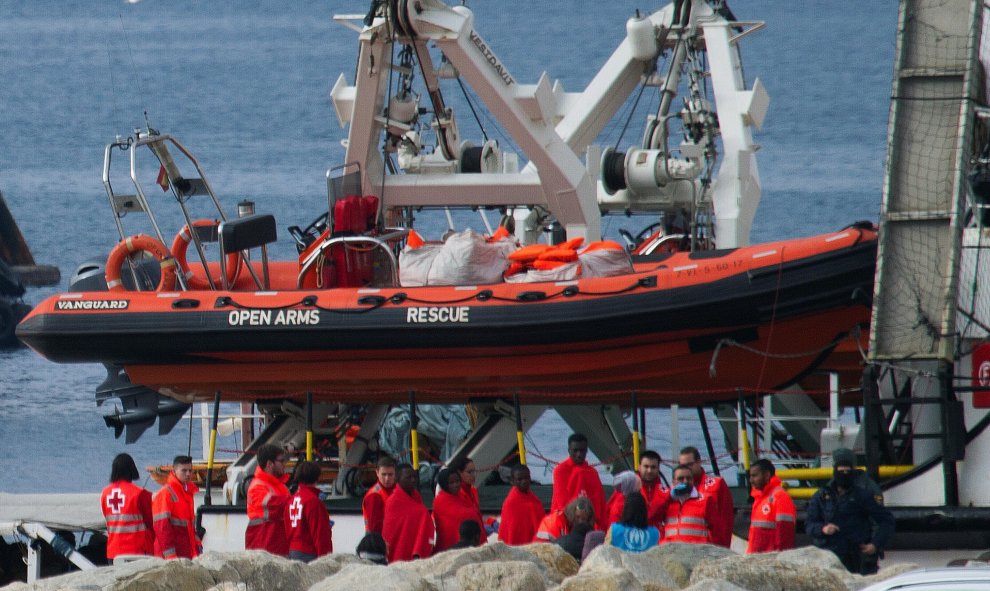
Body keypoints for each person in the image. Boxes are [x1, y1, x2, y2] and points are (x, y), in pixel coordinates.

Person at [806, 455, 895, 574]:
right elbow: (809, 524)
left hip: (857, 558)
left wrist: (875, 544)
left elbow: (886, 521)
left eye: (847, 471)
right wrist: (823, 529)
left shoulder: (863, 496)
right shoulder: (822, 496)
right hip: (829, 558)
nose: (844, 474)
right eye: (841, 471)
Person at [100, 453, 154, 561]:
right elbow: (151, 522)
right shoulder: (140, 493)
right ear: (132, 469)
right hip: (136, 551)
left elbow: (107, 518)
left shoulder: (105, 493)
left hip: (113, 551)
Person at [678, 446, 733, 547]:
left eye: (690, 464)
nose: (687, 469)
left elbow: (726, 520)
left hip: (710, 548)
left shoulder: (717, 484)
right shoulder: (676, 490)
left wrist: (723, 550)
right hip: (685, 548)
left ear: (699, 462)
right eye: (683, 466)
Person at [551, 433, 606, 530]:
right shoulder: (560, 470)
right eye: (575, 451)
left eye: (582, 451)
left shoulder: (592, 472)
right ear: (569, 450)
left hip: (589, 522)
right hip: (566, 524)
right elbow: (562, 503)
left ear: (586, 451)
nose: (579, 454)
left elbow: (599, 502)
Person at [381, 463, 435, 562]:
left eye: (414, 477)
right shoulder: (393, 501)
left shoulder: (416, 496)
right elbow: (390, 533)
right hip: (398, 552)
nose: (413, 480)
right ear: (398, 479)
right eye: (408, 478)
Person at [152, 455, 201, 559]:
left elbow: (190, 528)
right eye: (184, 470)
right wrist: (170, 556)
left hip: (184, 553)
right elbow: (162, 527)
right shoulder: (166, 493)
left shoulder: (187, 493)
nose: (188, 474)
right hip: (169, 556)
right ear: (174, 471)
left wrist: (197, 547)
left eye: (190, 470)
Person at [245, 444, 290, 556]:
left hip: (277, 546)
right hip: (263, 546)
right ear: (270, 464)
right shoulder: (257, 486)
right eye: (281, 461)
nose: (284, 464)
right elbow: (274, 505)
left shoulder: (280, 486)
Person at [285, 461, 333, 562]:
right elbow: (320, 535)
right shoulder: (313, 501)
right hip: (309, 554)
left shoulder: (291, 500)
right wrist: (326, 560)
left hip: (292, 552)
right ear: (317, 478)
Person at [746, 459, 796, 553]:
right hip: (758, 559)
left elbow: (785, 536)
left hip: (769, 561)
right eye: (750, 476)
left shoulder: (780, 497)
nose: (751, 480)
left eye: (754, 476)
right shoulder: (760, 498)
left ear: (767, 475)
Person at [660, 463, 718, 545]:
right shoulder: (667, 502)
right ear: (673, 481)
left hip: (696, 553)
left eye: (689, 478)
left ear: (693, 480)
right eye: (681, 478)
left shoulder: (706, 500)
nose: (685, 481)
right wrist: (669, 498)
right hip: (671, 553)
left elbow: (716, 530)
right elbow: (654, 519)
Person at [432, 467, 484, 552]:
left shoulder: (461, 496)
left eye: (457, 481)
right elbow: (463, 515)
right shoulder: (440, 501)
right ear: (444, 484)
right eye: (451, 483)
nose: (456, 485)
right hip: (449, 547)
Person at [498, 465, 545, 545]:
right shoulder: (510, 503)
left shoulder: (535, 500)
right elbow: (510, 533)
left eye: (526, 478)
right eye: (519, 479)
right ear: (513, 481)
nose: (524, 481)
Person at [362, 456, 397, 534]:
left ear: (395, 474)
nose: (387, 478)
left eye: (390, 475)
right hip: (378, 540)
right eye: (384, 474)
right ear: (377, 473)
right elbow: (374, 526)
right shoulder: (374, 496)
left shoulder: (398, 490)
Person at [554, 497, 595, 561]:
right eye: (577, 517)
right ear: (572, 514)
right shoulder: (557, 523)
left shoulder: (566, 532)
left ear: (588, 519)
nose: (580, 521)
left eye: (584, 519)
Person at [638, 450, 670, 530]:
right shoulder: (628, 489)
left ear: (658, 468)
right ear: (639, 467)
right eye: (646, 466)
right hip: (634, 537)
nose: (649, 471)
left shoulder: (667, 493)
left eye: (653, 467)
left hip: (658, 538)